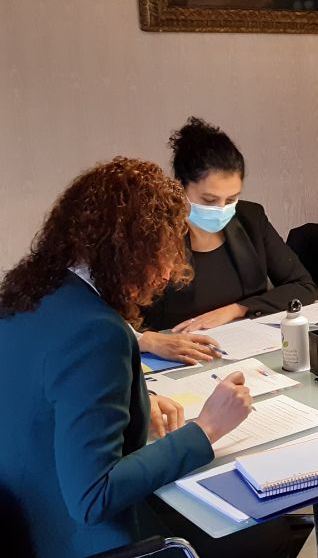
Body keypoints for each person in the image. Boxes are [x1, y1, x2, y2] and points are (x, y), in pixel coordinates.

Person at [0, 158, 254, 557]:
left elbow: (48, 395)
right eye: (164, 252)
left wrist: (133, 403)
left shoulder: (30, 294)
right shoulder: (97, 332)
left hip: (22, 513)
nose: (169, 272)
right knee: (255, 535)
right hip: (75, 538)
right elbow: (93, 497)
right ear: (127, 251)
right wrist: (205, 429)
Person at [142, 117, 316, 335]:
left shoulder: (250, 218)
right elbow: (125, 318)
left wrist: (237, 309)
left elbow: (303, 286)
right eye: (208, 200)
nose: (221, 209)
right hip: (179, 354)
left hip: (247, 346)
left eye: (231, 199)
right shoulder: (153, 232)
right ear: (179, 186)